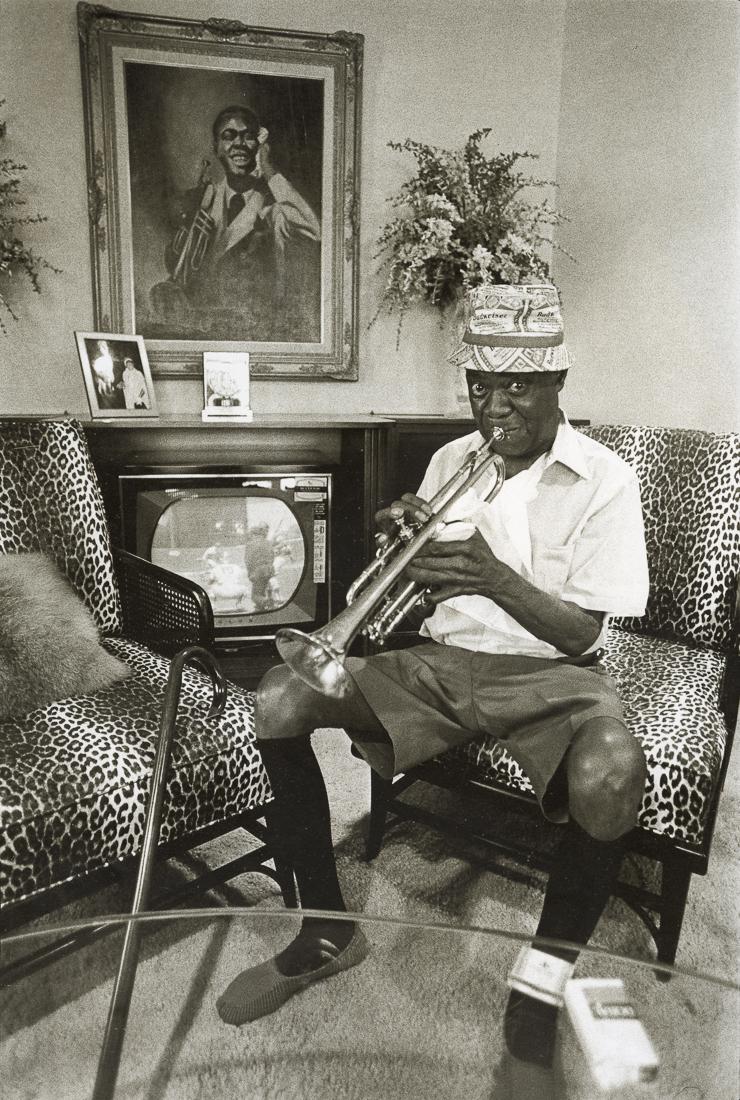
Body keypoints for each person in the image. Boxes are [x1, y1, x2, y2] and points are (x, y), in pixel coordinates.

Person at [217, 284, 649, 1071]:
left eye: (517, 386)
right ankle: (324, 929)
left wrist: (495, 577)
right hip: (442, 664)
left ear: (557, 383)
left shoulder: (606, 480)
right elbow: (418, 581)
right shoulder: (455, 458)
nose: (494, 406)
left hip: (550, 676)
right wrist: (395, 537)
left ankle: (539, 990)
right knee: (278, 697)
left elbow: (585, 633)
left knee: (612, 771)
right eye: (481, 385)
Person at [152, 104, 321, 341]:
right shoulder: (202, 199)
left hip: (258, 337)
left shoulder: (275, 202)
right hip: (203, 338)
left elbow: (313, 230)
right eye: (228, 136)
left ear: (259, 146)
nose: (239, 144)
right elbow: (179, 272)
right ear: (216, 148)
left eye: (249, 137)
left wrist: (269, 169)